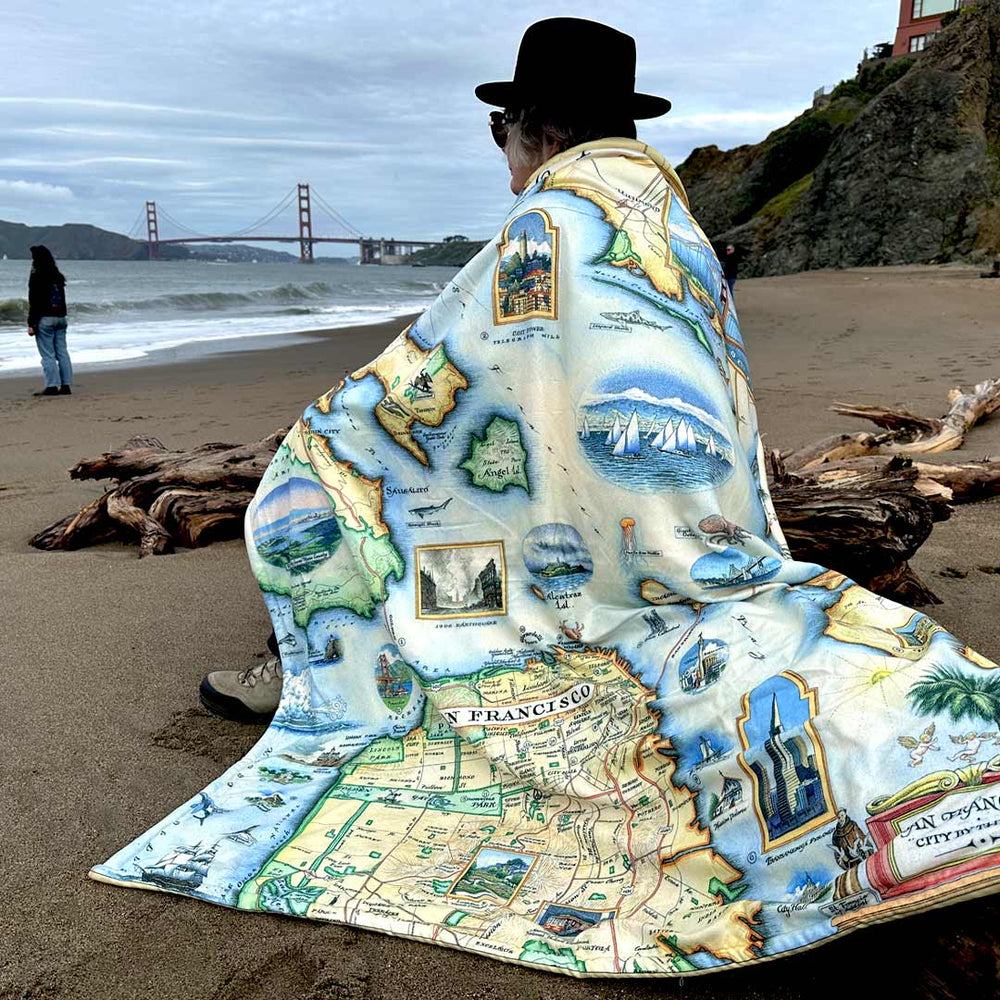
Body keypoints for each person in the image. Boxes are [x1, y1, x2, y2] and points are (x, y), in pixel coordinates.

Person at [97, 17, 1000, 979]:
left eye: (501, 134)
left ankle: (332, 665)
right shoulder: (670, 226)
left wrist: (329, 432)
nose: (503, 155)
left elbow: (448, 369)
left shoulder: (550, 223)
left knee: (340, 476)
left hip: (591, 548)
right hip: (687, 524)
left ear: (531, 128)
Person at [26, 244, 72, 396]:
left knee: (47, 354)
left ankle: (52, 386)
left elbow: (34, 301)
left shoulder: (37, 274)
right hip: (61, 318)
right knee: (62, 353)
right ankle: (66, 386)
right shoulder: (57, 275)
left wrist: (31, 323)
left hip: (45, 319)